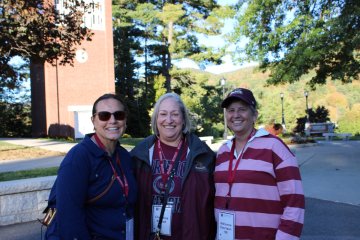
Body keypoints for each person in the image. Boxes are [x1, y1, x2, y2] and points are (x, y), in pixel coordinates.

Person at [214, 88, 305, 240]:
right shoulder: (223, 151)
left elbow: (294, 202)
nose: (235, 115)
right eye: (231, 110)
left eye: (242, 110)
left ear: (254, 115)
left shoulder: (275, 147)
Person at [44, 93, 137, 240]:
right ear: (93, 121)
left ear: (125, 120)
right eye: (104, 116)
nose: (112, 121)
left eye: (118, 115)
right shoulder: (78, 158)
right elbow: (69, 218)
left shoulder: (124, 156)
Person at [130, 92, 216, 240]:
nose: (168, 120)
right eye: (163, 114)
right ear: (156, 119)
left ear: (183, 119)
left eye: (175, 114)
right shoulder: (138, 155)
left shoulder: (204, 156)